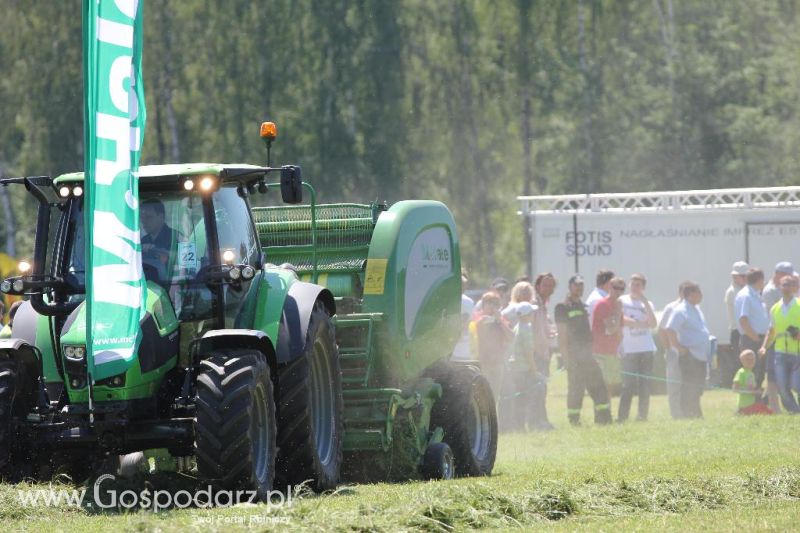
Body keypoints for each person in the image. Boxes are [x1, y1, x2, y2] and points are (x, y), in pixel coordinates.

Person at [555, 275, 612, 426]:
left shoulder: (582, 305)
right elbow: (562, 335)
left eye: (581, 285)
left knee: (598, 386)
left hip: (587, 355)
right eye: (576, 285)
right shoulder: (562, 307)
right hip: (574, 356)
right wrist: (566, 359)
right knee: (576, 389)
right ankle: (574, 420)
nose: (579, 288)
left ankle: (604, 418)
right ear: (570, 287)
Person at [665, 282, 710, 418]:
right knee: (689, 386)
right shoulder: (680, 310)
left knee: (698, 387)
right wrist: (679, 348)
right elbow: (670, 329)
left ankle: (695, 413)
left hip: (700, 355)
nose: (701, 295)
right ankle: (688, 415)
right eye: (698, 293)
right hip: (689, 355)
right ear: (690, 295)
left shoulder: (696, 309)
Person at [617, 274, 657, 422]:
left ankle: (642, 416)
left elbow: (653, 324)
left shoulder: (648, 304)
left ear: (643, 288)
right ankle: (622, 416)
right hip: (629, 350)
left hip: (646, 349)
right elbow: (621, 319)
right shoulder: (622, 300)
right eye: (632, 284)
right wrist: (640, 324)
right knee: (628, 385)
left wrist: (645, 302)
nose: (634, 287)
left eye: (638, 285)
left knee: (645, 385)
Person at [759, 275, 800, 413]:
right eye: (784, 284)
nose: (786, 287)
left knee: (796, 385)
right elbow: (771, 331)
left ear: (794, 288)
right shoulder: (775, 308)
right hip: (780, 352)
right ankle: (795, 411)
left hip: (797, 351)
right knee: (782, 386)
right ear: (779, 287)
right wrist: (764, 347)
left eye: (789, 284)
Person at [734, 268, 770, 400]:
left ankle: (758, 402)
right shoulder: (746, 295)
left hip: (759, 339)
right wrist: (757, 339)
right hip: (752, 339)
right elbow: (743, 320)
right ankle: (751, 403)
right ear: (760, 280)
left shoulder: (756, 295)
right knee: (752, 373)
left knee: (759, 373)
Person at [506, 301, 542, 431]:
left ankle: (519, 426)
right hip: (523, 369)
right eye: (531, 313)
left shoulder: (518, 326)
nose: (533, 315)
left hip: (516, 368)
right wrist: (534, 369)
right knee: (524, 398)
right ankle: (521, 427)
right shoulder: (526, 328)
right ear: (527, 315)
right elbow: (528, 352)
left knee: (520, 397)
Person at [657, 282, 691, 419]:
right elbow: (662, 330)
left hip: (689, 352)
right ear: (681, 292)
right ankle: (676, 414)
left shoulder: (693, 307)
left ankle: (689, 411)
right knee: (674, 385)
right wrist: (669, 349)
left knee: (688, 384)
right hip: (674, 352)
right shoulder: (671, 308)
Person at [472, 291, 513, 397]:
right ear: (483, 305)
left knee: (495, 396)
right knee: (481, 395)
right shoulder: (477, 318)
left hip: (497, 363)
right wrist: (480, 324)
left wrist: (500, 321)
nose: (492, 306)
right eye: (489, 302)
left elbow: (511, 337)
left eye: (495, 303)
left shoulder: (501, 319)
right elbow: (472, 335)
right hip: (482, 363)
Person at [591, 276, 626, 397]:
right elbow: (611, 329)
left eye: (622, 289)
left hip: (612, 352)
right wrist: (618, 311)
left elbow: (620, 330)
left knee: (611, 386)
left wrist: (620, 349)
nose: (619, 291)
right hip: (600, 352)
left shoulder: (618, 306)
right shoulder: (603, 304)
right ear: (610, 287)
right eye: (616, 288)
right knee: (603, 386)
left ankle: (608, 408)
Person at [530, 273, 557, 430]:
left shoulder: (543, 304)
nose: (548, 288)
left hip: (543, 352)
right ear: (538, 286)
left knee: (542, 387)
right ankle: (537, 422)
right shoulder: (535, 304)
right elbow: (532, 330)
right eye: (545, 285)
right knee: (538, 388)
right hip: (536, 353)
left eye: (551, 285)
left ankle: (541, 419)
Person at [140, 199, 178, 282]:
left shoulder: (176, 238)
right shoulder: (143, 241)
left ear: (161, 217)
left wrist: (164, 254)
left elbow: (185, 263)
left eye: (148, 217)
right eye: (142, 217)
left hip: (170, 284)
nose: (143, 221)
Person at [723, 261, 749, 381]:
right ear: (734, 276)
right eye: (742, 276)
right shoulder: (734, 292)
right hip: (739, 331)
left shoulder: (744, 290)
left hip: (745, 330)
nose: (745, 278)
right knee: (741, 362)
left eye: (746, 276)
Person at [732, 350, 773, 415]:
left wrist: (758, 391)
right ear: (742, 361)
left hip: (752, 404)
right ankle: (739, 412)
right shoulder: (741, 372)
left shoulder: (751, 373)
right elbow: (735, 389)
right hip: (744, 406)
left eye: (752, 359)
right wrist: (752, 392)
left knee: (767, 410)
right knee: (767, 412)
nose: (750, 361)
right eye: (747, 359)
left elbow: (751, 389)